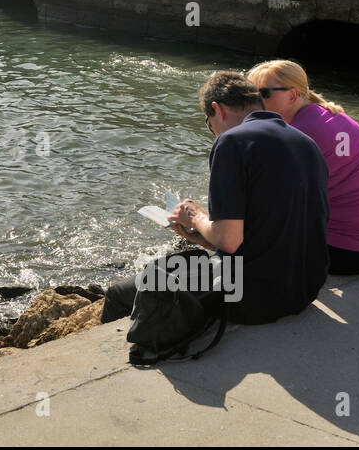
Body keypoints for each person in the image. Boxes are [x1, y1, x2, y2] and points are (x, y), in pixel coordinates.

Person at [99, 72, 329, 327]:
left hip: (254, 297)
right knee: (184, 264)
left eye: (209, 125)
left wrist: (195, 217)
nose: (214, 133)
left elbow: (229, 241)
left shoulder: (232, 142)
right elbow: (274, 229)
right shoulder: (306, 142)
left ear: (217, 110)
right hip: (304, 288)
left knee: (117, 294)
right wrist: (202, 239)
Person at [247, 60, 359, 275]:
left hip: (347, 254)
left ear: (292, 95)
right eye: (251, 95)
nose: (254, 103)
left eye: (262, 95)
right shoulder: (329, 115)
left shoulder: (298, 133)